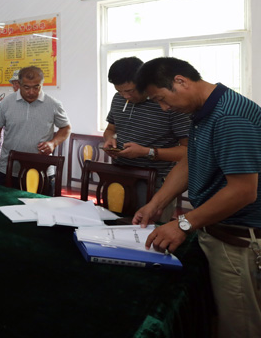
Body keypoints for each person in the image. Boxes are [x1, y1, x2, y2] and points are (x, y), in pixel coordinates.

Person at [132, 57, 261, 338]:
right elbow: (191, 160)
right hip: (215, 229)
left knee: (239, 325)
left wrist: (183, 224)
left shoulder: (229, 117)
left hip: (238, 238)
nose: (164, 108)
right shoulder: (206, 111)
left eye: (161, 99)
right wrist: (156, 203)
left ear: (180, 81)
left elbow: (243, 191)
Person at [103, 57, 190, 221]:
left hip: (155, 182)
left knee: (148, 229)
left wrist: (147, 152)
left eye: (130, 91)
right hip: (120, 177)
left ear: (143, 81)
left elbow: (187, 151)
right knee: (115, 224)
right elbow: (110, 130)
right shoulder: (118, 99)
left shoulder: (168, 102)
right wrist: (109, 139)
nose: (126, 96)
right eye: (120, 91)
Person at [0, 66, 71, 192]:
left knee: (42, 204)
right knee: (5, 203)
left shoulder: (53, 104)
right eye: (26, 87)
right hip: (9, 169)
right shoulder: (6, 103)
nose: (31, 92)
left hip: (42, 171)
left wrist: (53, 143)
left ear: (42, 84)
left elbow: (66, 128)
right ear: (19, 84)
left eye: (36, 87)